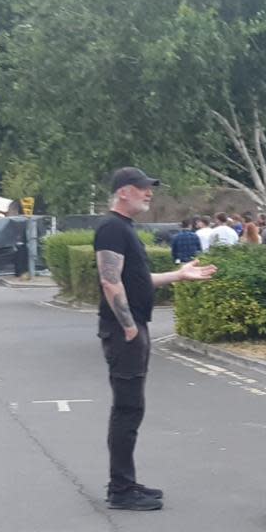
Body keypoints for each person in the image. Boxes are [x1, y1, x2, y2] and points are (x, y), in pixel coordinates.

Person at [95, 167, 217, 511]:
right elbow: (110, 280)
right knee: (127, 408)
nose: (149, 193)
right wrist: (129, 326)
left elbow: (134, 278)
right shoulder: (111, 229)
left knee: (132, 407)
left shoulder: (122, 229)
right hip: (124, 330)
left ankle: (126, 481)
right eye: (142, 188)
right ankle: (120, 489)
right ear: (123, 192)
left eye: (150, 188)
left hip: (130, 327)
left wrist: (179, 275)